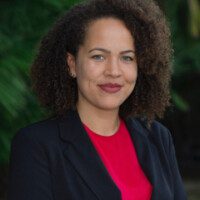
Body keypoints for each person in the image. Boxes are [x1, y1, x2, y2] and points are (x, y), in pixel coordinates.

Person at [8, 0, 187, 199]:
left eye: (127, 58)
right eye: (98, 56)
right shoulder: (37, 145)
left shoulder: (158, 137)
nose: (113, 71)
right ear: (72, 64)